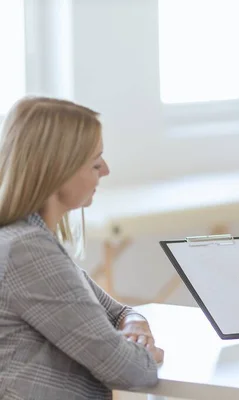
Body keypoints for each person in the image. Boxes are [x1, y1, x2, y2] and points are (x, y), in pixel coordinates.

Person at [0, 96, 163, 399]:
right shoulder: (28, 251)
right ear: (58, 169)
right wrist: (143, 353)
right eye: (95, 162)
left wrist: (136, 325)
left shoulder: (28, 239)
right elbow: (130, 370)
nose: (106, 171)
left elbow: (119, 312)